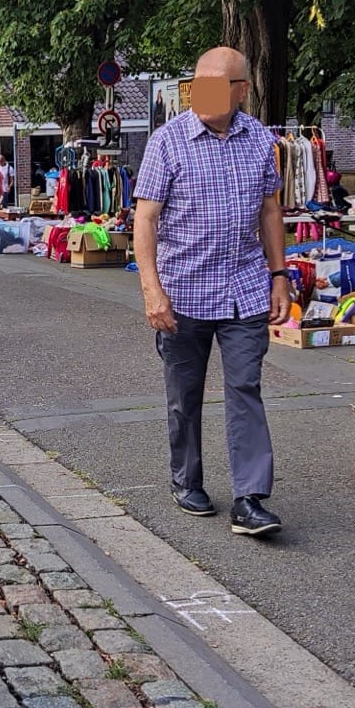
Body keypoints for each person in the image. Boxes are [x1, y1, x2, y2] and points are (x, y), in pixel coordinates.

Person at [133, 46, 291, 538]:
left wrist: (279, 274)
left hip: (245, 289)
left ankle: (250, 499)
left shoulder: (260, 139)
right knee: (185, 395)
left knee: (245, 387)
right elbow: (146, 219)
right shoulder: (167, 141)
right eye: (197, 85)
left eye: (216, 86)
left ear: (242, 90)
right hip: (183, 293)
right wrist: (152, 290)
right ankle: (186, 480)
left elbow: (270, 210)